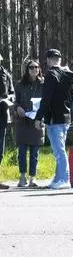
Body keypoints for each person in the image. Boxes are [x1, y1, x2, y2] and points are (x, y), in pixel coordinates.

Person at [34, 49, 73, 190]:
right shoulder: (69, 75)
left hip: (54, 118)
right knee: (60, 149)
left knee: (58, 150)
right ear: (60, 59)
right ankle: (58, 177)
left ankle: (64, 179)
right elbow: (72, 97)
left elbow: (46, 99)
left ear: (48, 60)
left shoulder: (51, 75)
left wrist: (39, 117)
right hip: (66, 115)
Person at [14, 59, 44, 187]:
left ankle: (33, 178)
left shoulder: (43, 84)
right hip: (23, 121)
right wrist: (17, 108)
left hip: (37, 121)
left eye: (36, 67)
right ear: (27, 69)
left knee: (34, 152)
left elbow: (48, 101)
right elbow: (14, 101)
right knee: (21, 151)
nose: (34, 69)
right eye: (31, 67)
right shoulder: (20, 84)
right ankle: (22, 177)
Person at [0, 53, 14, 189]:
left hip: (2, 115)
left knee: (0, 149)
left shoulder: (6, 74)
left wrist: (9, 99)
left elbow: (12, 93)